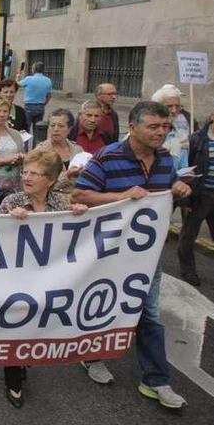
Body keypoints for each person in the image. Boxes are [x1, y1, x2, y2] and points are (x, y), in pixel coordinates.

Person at [73, 101, 192, 409]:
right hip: (110, 253)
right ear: (133, 126)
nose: (161, 133)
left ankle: (156, 380)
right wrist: (121, 197)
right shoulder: (107, 157)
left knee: (149, 315)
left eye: (165, 127)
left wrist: (178, 185)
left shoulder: (166, 159)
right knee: (104, 305)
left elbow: (167, 191)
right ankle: (93, 355)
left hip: (147, 257)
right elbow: (81, 195)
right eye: (154, 127)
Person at [0, 149, 88, 408]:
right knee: (15, 323)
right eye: (25, 171)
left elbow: (78, 234)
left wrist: (82, 215)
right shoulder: (12, 203)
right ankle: (12, 379)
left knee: (35, 322)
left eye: (34, 174)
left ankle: (24, 357)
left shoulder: (61, 204)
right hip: (16, 278)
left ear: (49, 179)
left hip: (49, 278)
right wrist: (9, 223)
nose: (26, 177)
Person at [178, 99, 214, 289]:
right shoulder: (196, 140)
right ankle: (188, 271)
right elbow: (185, 170)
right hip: (200, 196)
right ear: (213, 116)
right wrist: (186, 199)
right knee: (188, 236)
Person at [36, 108, 85, 194]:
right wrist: (67, 175)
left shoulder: (78, 150)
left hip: (76, 199)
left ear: (69, 129)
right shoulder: (40, 151)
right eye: (52, 125)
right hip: (51, 199)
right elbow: (39, 184)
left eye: (61, 126)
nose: (56, 129)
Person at [152, 83, 191, 171]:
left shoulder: (181, 131)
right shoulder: (146, 130)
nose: (174, 110)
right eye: (169, 106)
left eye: (177, 106)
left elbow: (183, 163)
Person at [16, 62, 52, 130]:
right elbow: (49, 96)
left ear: (34, 69)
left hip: (29, 106)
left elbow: (17, 84)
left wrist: (17, 77)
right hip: (40, 106)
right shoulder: (48, 80)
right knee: (38, 129)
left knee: (26, 128)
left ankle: (26, 141)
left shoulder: (28, 79)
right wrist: (44, 104)